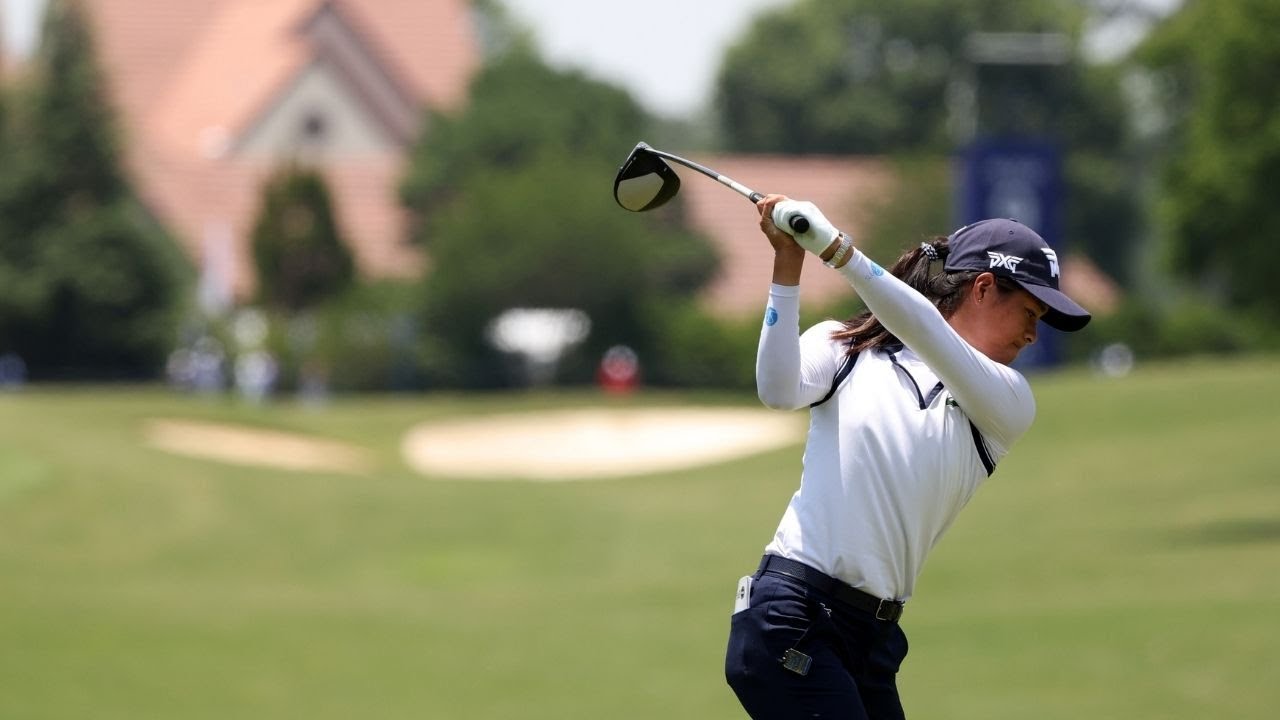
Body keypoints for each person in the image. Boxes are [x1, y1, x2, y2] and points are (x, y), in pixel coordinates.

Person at [724, 195, 1091, 720]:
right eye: (1029, 313)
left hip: (872, 640)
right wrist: (790, 263)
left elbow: (924, 328)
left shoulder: (1008, 401)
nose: (1033, 335)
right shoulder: (846, 349)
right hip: (794, 615)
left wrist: (838, 249)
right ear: (984, 287)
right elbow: (777, 390)